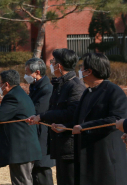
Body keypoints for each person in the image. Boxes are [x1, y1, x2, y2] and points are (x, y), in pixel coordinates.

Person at [51, 52, 127, 184]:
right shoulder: (87, 92)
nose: (79, 71)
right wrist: (65, 128)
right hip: (87, 156)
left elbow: (116, 119)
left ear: (89, 71)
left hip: (106, 157)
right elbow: (79, 121)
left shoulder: (113, 91)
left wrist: (83, 127)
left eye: (81, 68)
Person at [27, 48, 84, 185]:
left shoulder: (75, 86)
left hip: (70, 145)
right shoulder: (60, 85)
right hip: (59, 144)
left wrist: (42, 116)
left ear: (59, 66)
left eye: (53, 62)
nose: (51, 64)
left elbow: (72, 113)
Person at [0, 70, 42, 185]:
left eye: (0, 84)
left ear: (6, 84)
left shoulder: (12, 97)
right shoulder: (19, 93)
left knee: (21, 182)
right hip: (24, 148)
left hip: (21, 150)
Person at [23, 58, 55, 185]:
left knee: (42, 172)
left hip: (42, 135)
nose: (25, 75)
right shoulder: (35, 86)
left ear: (37, 72)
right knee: (35, 173)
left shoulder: (47, 89)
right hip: (34, 134)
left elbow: (38, 111)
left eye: (27, 72)